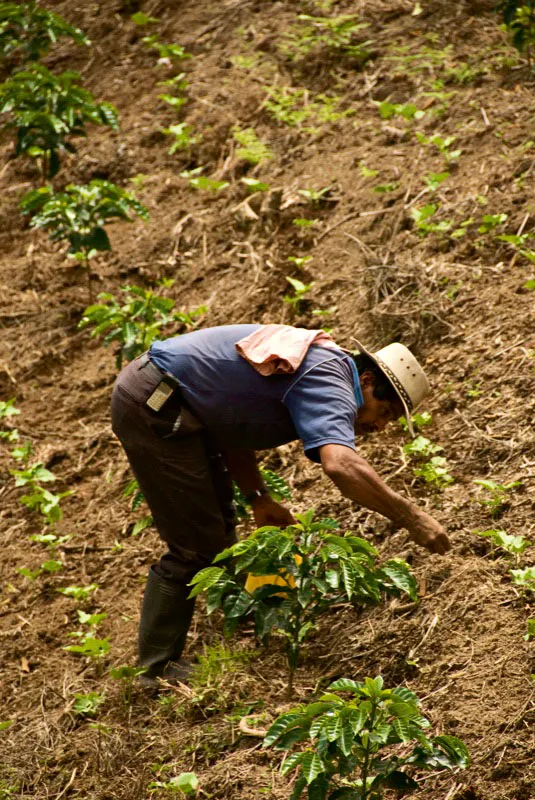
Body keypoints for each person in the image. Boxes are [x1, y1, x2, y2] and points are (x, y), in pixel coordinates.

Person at [110, 323, 450, 689]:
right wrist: (411, 518)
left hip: (172, 401)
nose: (381, 426)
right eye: (384, 411)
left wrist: (259, 498)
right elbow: (341, 464)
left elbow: (230, 424)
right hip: (157, 402)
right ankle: (154, 672)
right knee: (196, 545)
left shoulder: (322, 367)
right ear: (366, 380)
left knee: (218, 529)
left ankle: (235, 624)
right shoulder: (331, 378)